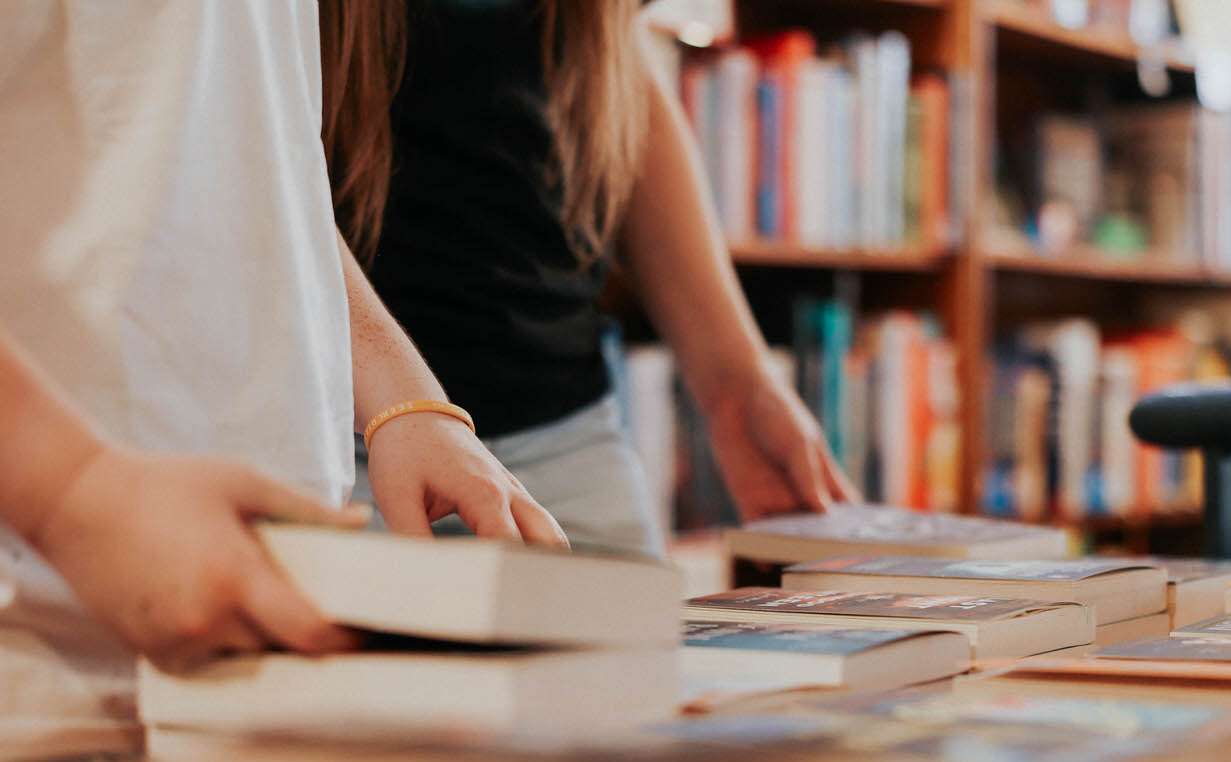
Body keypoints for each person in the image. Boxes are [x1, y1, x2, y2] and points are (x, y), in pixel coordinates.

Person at [0, 1, 562, 720]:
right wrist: (75, 496)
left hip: (254, 632)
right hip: (42, 662)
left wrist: (403, 395)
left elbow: (223, 140)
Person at [322, 0, 857, 560]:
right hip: (354, 453)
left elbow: (611, 63)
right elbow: (260, 160)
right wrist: (408, 407)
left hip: (571, 443)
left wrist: (738, 385)